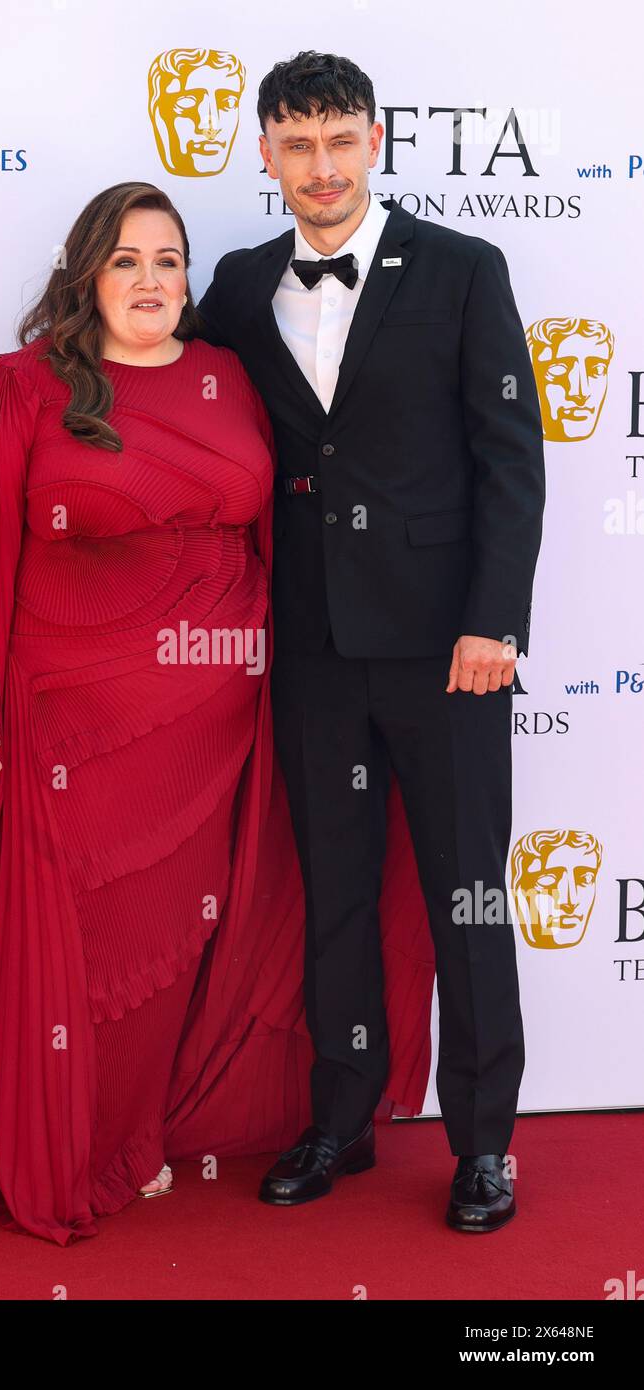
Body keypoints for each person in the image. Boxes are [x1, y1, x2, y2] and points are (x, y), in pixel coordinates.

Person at [0, 180, 433, 1246]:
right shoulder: (20, 388)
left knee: (162, 945)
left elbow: (285, 528)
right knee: (70, 943)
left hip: (210, 718)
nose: (150, 280)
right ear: (85, 277)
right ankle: (49, 1140)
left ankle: (126, 1134)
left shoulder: (227, 379)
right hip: (63, 719)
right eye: (125, 261)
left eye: (168, 260)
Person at [194, 51, 546, 1232]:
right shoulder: (238, 289)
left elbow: (509, 459)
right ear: (263, 155)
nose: (321, 166)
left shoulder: (460, 269)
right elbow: (177, 415)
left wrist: (493, 622)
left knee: (468, 900)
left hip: (451, 652)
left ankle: (484, 1145)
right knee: (336, 896)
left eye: (339, 139)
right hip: (313, 652)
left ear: (375, 138)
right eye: (296, 145)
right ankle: (339, 1122)